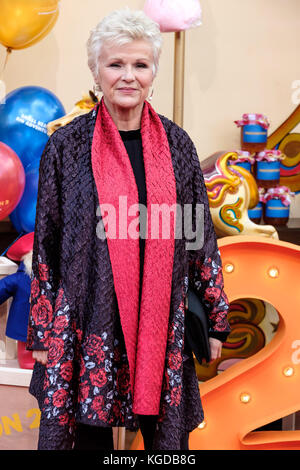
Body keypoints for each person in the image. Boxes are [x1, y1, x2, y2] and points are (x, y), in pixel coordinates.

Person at [26, 8, 231, 451]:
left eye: (140, 65)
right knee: (88, 440)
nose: (128, 76)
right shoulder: (66, 145)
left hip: (158, 317)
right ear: (96, 71)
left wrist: (216, 321)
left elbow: (198, 236)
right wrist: (42, 333)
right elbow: (47, 241)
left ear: (153, 72)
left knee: (163, 441)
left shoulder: (178, 146)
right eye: (115, 64)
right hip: (85, 317)